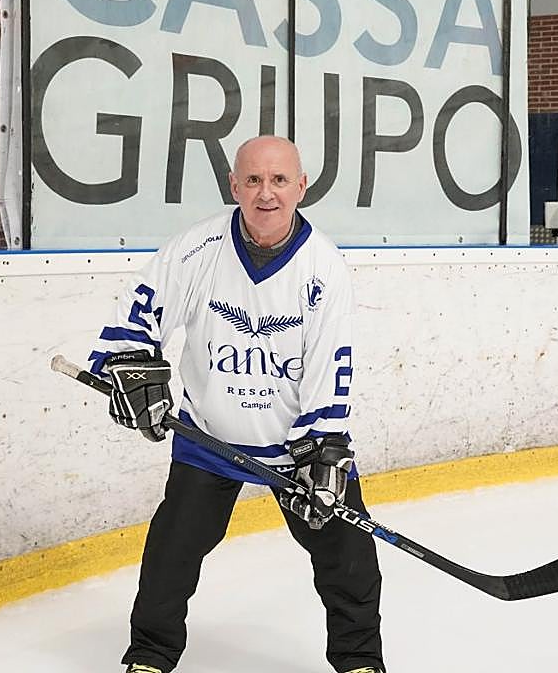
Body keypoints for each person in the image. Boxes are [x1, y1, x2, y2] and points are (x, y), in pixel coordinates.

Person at [87, 135, 385, 673]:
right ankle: (150, 656)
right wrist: (130, 367)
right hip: (210, 441)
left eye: (277, 180)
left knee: (349, 560)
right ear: (234, 186)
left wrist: (322, 449)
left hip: (295, 449)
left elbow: (328, 365)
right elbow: (137, 320)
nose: (264, 193)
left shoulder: (324, 268)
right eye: (252, 179)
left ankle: (360, 661)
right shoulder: (195, 250)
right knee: (170, 555)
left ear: (301, 187)